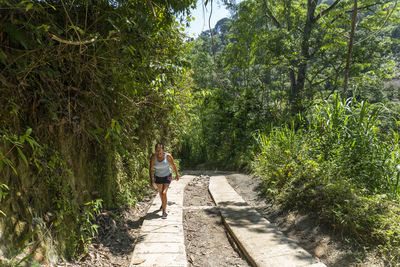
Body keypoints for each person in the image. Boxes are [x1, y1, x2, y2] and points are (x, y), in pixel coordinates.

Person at [149, 143, 179, 219]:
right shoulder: (153, 157)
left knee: (164, 192)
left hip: (167, 176)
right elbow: (151, 169)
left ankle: (164, 212)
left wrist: (177, 175)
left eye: (160, 150)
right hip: (158, 177)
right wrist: (151, 180)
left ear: (163, 150)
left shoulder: (168, 156)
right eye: (157, 150)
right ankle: (163, 203)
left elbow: (173, 165)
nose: (158, 152)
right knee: (160, 192)